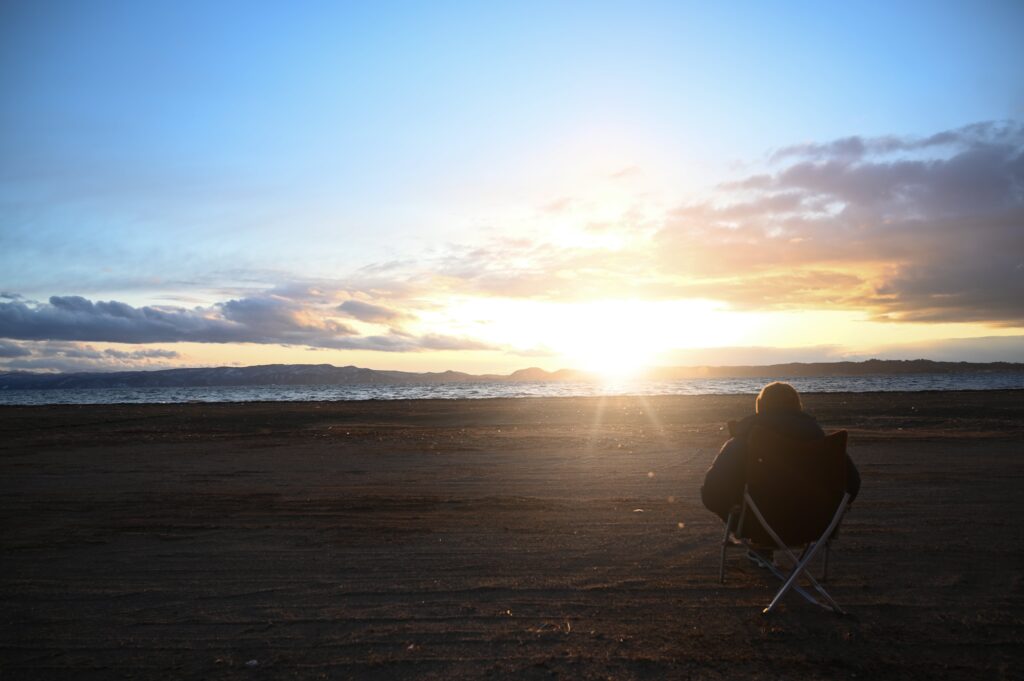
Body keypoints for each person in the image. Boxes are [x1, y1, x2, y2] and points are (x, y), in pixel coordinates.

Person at [700, 382, 860, 562]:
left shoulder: (744, 440)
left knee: (727, 486)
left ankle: (759, 543)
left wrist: (735, 506)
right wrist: (830, 508)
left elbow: (711, 492)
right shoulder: (823, 442)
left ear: (760, 407)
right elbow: (853, 484)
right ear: (797, 407)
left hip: (758, 526)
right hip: (814, 525)